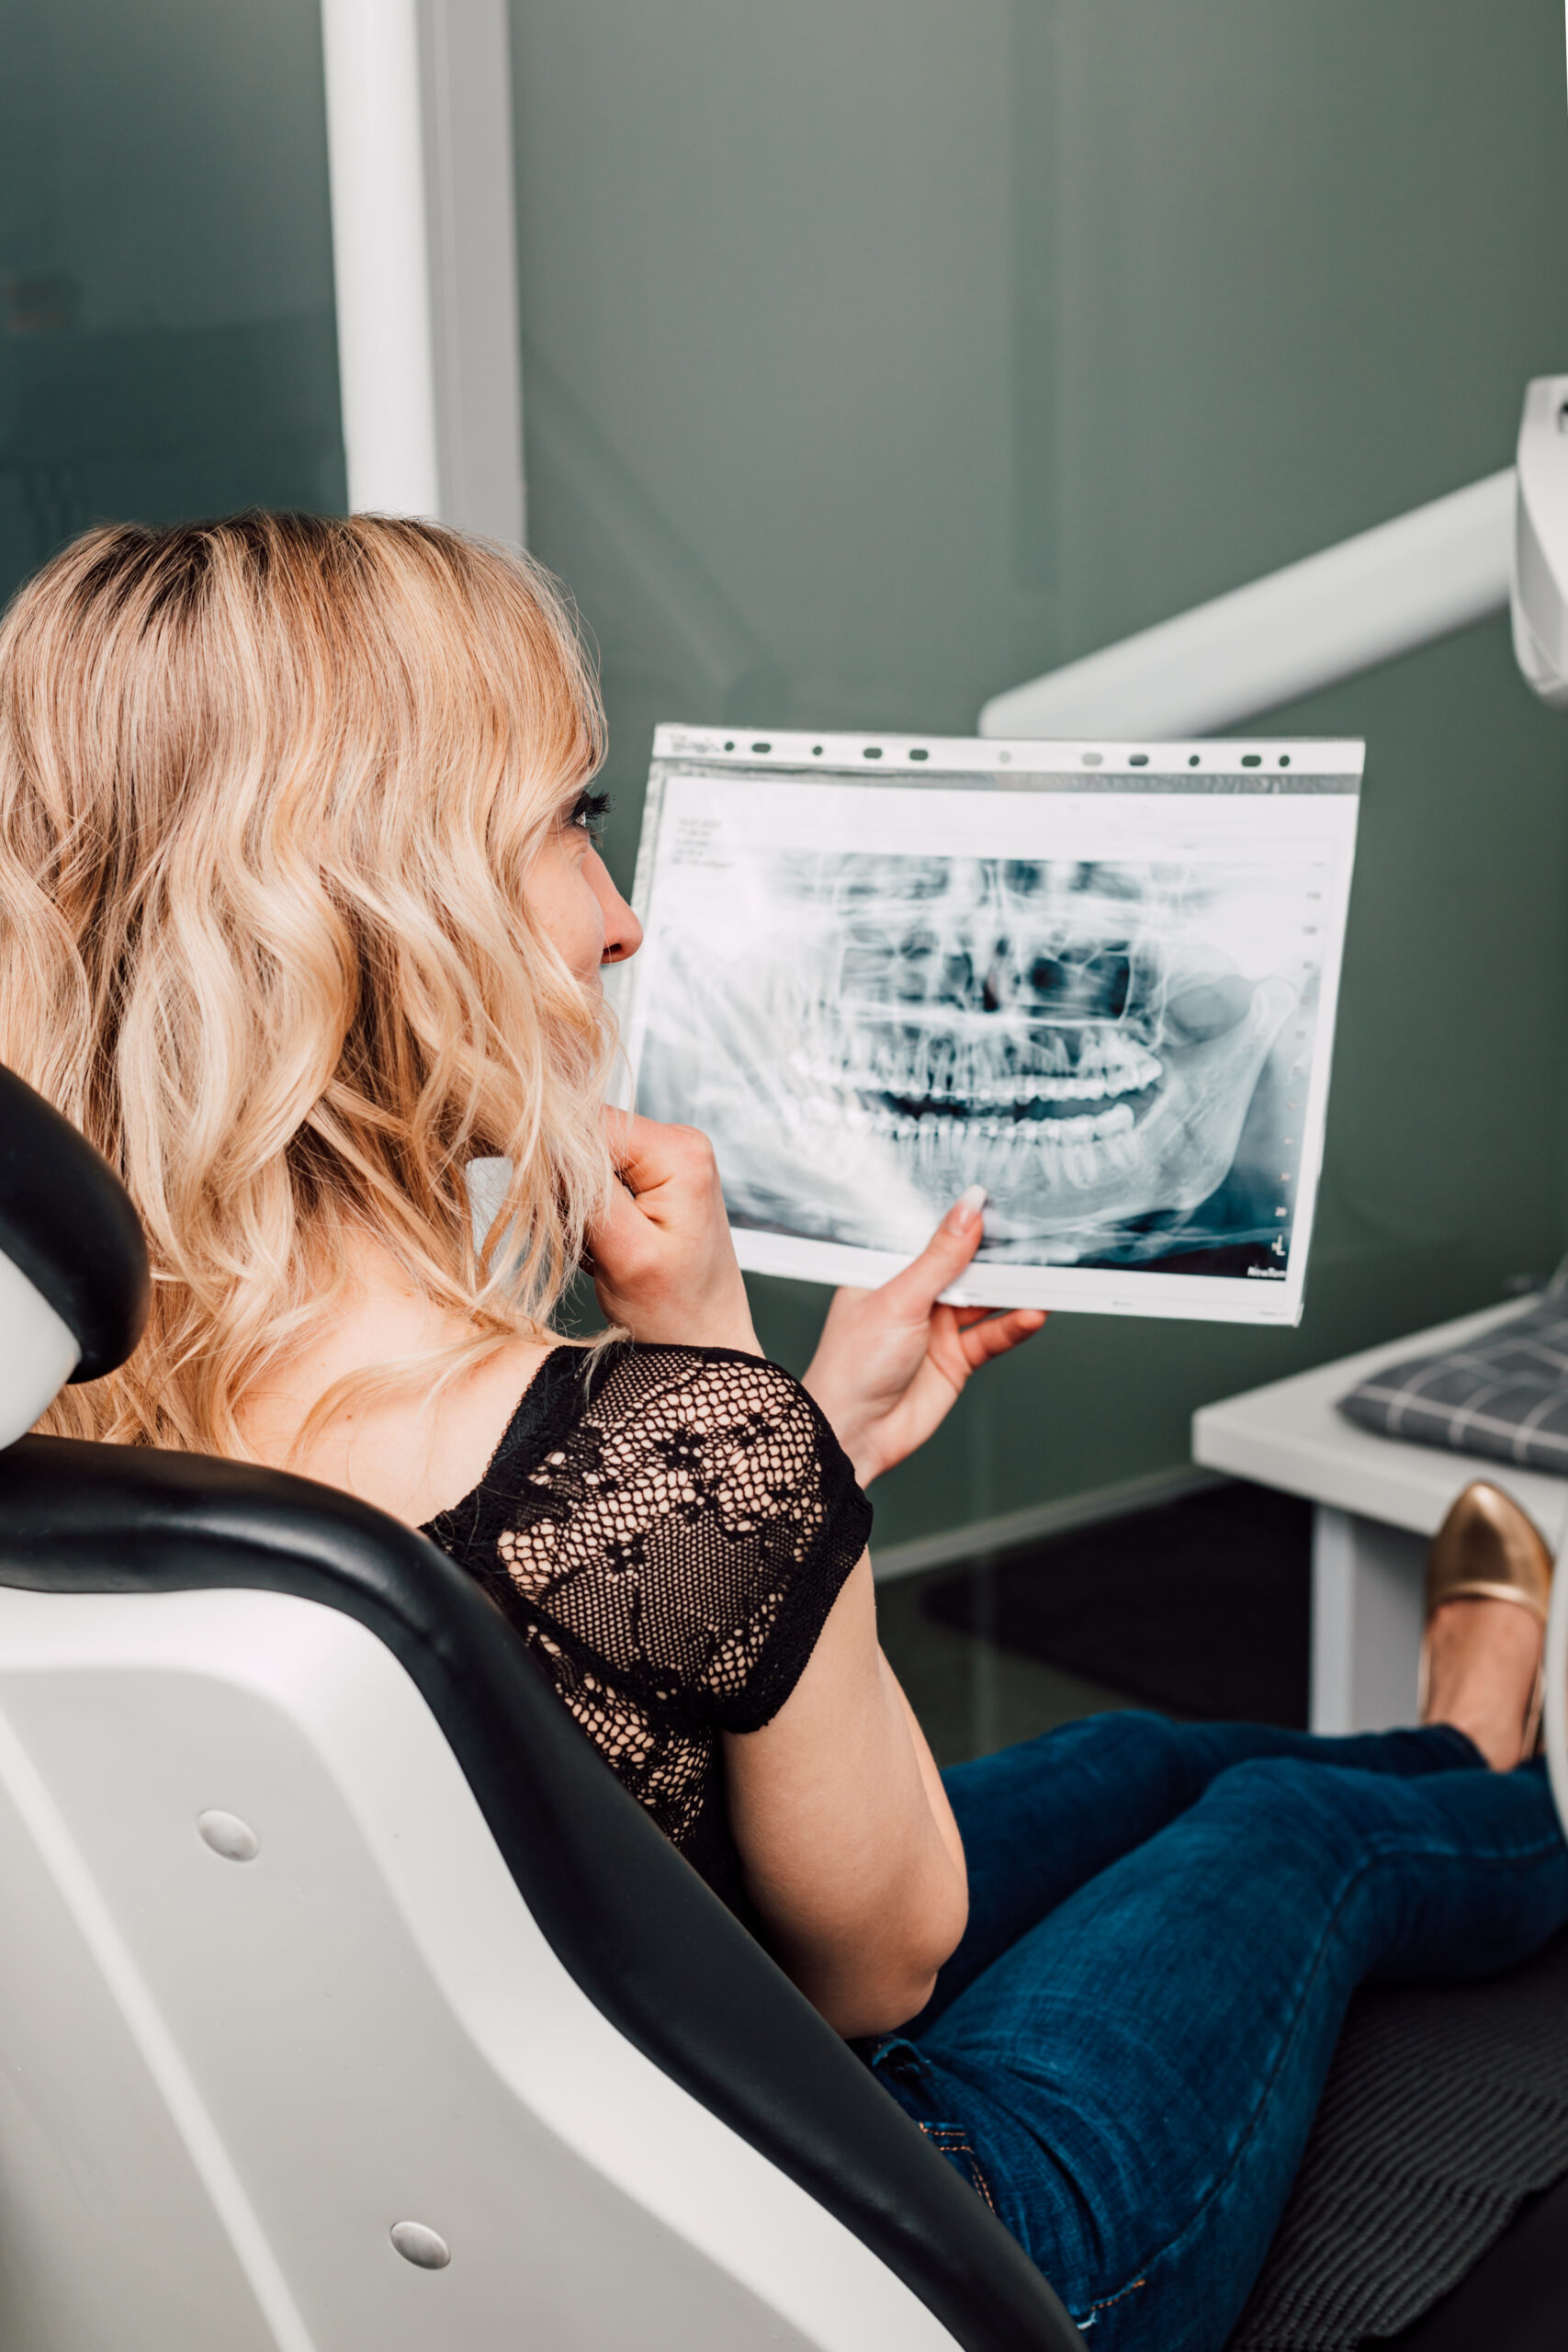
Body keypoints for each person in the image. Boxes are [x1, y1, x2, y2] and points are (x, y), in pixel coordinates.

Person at [1, 511, 1562, 2352]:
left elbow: (567, 1696)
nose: (618, 913)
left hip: (477, 2156)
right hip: (896, 2257)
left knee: (1138, 1761)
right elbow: (871, 1958)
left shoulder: (66, 1411)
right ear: (383, 905)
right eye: (568, 823)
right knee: (1283, 1824)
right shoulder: (660, 1435)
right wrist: (720, 1381)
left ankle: (1436, 1768)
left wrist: (783, 1449)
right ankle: (1483, 1757)